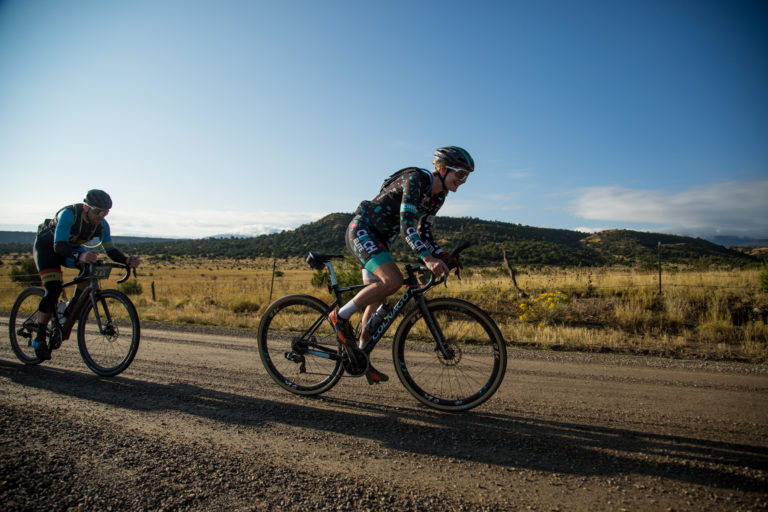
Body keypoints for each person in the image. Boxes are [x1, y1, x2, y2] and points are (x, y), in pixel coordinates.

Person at [330, 146, 474, 384]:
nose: (463, 181)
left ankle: (361, 357)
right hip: (362, 231)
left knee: (377, 300)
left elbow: (423, 232)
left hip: (380, 241)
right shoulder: (417, 179)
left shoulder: (439, 196)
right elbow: (406, 225)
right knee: (393, 281)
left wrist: (443, 255)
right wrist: (427, 258)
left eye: (466, 176)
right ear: (442, 168)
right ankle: (340, 317)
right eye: (460, 174)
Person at [31, 189, 140, 361]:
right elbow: (58, 247)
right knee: (53, 288)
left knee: (90, 270)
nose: (101, 216)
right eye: (97, 211)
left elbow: (110, 250)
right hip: (48, 248)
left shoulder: (102, 225)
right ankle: (39, 337)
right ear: (86, 208)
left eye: (105, 212)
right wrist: (80, 256)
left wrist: (126, 260)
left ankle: (69, 307)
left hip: (71, 249)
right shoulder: (69, 215)